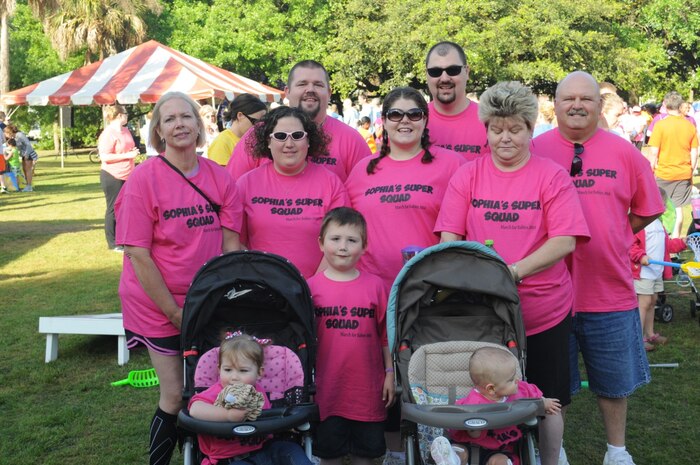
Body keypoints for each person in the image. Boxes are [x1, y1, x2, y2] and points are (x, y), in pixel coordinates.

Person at [435, 81, 589, 465]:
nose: (505, 138)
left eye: (515, 129)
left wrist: (514, 271)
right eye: (496, 129)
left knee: (547, 398)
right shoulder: (467, 176)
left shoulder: (551, 176)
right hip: (483, 314)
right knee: (485, 393)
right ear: (485, 129)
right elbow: (449, 239)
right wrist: (479, 276)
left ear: (529, 130)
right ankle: (489, 454)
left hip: (544, 309)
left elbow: (565, 240)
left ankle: (551, 458)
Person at [533, 71, 665, 465]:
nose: (576, 105)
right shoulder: (535, 149)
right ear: (554, 105)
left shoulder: (623, 151)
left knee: (613, 382)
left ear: (598, 105)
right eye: (568, 98)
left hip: (608, 288)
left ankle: (617, 451)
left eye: (586, 99)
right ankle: (557, 451)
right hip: (550, 290)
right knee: (555, 385)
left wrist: (615, 232)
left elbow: (648, 207)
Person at [115, 91, 243, 465]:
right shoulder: (143, 180)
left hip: (206, 299)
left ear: (198, 125)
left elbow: (231, 247)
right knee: (174, 395)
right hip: (155, 302)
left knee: (206, 387)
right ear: (158, 131)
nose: (179, 124)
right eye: (169, 119)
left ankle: (207, 457)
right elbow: (138, 253)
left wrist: (228, 299)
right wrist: (173, 312)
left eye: (185, 117)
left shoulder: (221, 178)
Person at [346, 86, 463, 290]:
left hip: (430, 289)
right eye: (395, 114)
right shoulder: (361, 170)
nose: (405, 120)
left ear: (425, 120)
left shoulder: (453, 165)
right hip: (371, 289)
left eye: (414, 114)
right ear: (384, 120)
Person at [307, 207, 394, 465]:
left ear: (364, 246)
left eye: (352, 240)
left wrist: (390, 373)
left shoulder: (376, 286)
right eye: (335, 239)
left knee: (364, 458)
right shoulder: (310, 288)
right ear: (321, 243)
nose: (343, 247)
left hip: (366, 392)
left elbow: (385, 336)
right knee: (329, 457)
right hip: (326, 392)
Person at [236, 106, 349, 278]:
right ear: (268, 141)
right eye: (280, 136)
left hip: (317, 291)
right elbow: (237, 243)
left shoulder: (331, 183)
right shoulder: (246, 184)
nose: (289, 144)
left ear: (308, 140)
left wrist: (313, 287)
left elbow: (341, 241)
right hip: (261, 291)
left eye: (297, 136)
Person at [228, 60, 371, 181]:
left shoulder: (352, 140)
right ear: (287, 92)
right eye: (302, 84)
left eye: (318, 85)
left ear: (329, 93)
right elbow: (232, 192)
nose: (310, 89)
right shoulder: (258, 135)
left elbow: (365, 196)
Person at [188, 332, 313, 465]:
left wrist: (286, 423)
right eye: (228, 370)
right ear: (219, 370)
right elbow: (195, 409)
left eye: (243, 371)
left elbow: (270, 419)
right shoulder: (217, 391)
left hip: (262, 449)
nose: (234, 377)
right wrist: (228, 415)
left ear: (259, 373)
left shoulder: (258, 393)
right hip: (230, 459)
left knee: (290, 450)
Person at [430, 347, 562, 465]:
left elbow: (535, 396)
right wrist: (474, 427)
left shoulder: (520, 389)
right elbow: (468, 432)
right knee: (460, 451)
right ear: (491, 389)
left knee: (499, 461)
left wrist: (544, 402)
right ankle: (452, 459)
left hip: (500, 449)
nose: (517, 380)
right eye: (511, 379)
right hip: (469, 443)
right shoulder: (472, 404)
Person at [629, 189, 686, 351]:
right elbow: (629, 245)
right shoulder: (639, 225)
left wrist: (682, 242)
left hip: (655, 272)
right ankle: (638, 338)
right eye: (662, 205)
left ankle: (649, 333)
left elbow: (667, 245)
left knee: (653, 301)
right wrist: (640, 256)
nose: (666, 209)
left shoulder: (659, 224)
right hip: (643, 273)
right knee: (644, 302)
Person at [647, 91, 699, 238]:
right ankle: (675, 239)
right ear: (681, 105)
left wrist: (651, 169)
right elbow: (694, 152)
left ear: (665, 105)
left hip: (664, 172)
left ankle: (664, 238)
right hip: (683, 172)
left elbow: (653, 152)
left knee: (662, 207)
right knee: (678, 208)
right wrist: (691, 169)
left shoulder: (660, 125)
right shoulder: (689, 126)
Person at [424, 41, 487, 160]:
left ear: (467, 72)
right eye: (435, 72)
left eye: (453, 70)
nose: (444, 78)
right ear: (426, 75)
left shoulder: (491, 121)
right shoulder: (412, 122)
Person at [98, 104, 140, 251]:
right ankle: (113, 242)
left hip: (128, 173)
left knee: (125, 208)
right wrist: (127, 155)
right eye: (126, 113)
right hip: (112, 175)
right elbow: (104, 156)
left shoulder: (126, 131)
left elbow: (127, 147)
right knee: (113, 208)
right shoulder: (108, 134)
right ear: (119, 115)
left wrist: (132, 151)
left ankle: (124, 238)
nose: (127, 116)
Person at [208, 94, 267, 166]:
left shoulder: (255, 140)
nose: (258, 127)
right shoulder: (222, 142)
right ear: (240, 116)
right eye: (255, 122)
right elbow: (221, 175)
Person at [3, 123, 38, 192]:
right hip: (24, 154)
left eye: (6, 134)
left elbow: (28, 144)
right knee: (25, 169)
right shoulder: (15, 137)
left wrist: (26, 155)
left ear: (9, 132)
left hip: (29, 154)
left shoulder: (19, 135)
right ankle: (28, 185)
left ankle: (29, 186)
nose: (6, 136)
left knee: (28, 170)